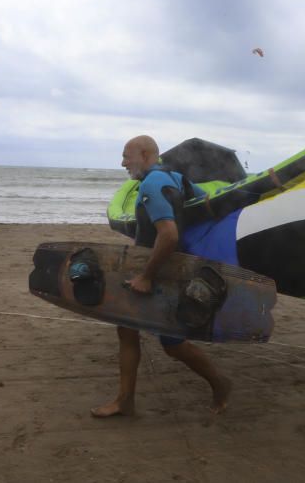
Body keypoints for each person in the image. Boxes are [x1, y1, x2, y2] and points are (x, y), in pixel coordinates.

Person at [91, 135, 233, 418]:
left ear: (145, 154)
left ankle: (221, 383)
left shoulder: (152, 185)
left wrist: (146, 276)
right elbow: (202, 202)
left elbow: (168, 235)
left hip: (161, 272)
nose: (123, 163)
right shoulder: (176, 178)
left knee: (173, 345)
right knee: (126, 329)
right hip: (167, 268)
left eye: (126, 156)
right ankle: (125, 401)